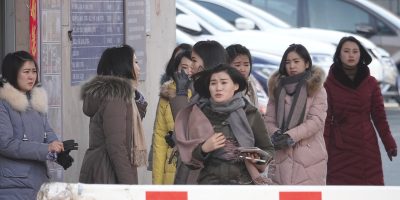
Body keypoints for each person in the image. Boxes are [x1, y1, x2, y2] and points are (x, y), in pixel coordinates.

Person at [174, 64, 274, 184]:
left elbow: (268, 149)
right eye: (213, 83)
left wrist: (257, 157)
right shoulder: (199, 114)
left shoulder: (250, 114)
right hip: (208, 185)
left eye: (224, 82)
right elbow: (188, 159)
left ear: (235, 86)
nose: (218, 88)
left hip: (243, 185)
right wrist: (203, 149)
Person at [324, 36, 397, 185]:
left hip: (366, 145)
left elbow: (379, 117)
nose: (351, 55)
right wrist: (322, 151)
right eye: (346, 51)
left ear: (361, 55)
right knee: (340, 191)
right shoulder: (329, 84)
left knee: (369, 189)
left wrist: (389, 143)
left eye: (355, 51)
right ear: (339, 54)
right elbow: (325, 121)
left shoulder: (370, 82)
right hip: (338, 147)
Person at [79, 44, 147, 184]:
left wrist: (136, 96)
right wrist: (130, 187)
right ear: (123, 66)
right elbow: (116, 145)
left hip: (101, 168)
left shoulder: (119, 96)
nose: (139, 68)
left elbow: (129, 119)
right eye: (135, 62)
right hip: (108, 173)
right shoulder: (116, 96)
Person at [0, 51, 64, 199]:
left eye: (34, 71)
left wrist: (58, 148)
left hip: (38, 181)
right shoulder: (3, 104)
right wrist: (46, 148)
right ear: (13, 73)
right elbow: (5, 144)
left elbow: (47, 132)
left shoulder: (37, 101)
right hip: (13, 185)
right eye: (26, 72)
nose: (31, 76)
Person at [264, 44, 328, 185]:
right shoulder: (276, 88)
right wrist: (276, 134)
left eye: (296, 61)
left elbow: (316, 120)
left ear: (306, 64)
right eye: (288, 62)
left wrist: (291, 136)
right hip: (280, 155)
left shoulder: (317, 89)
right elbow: (268, 120)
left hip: (309, 158)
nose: (291, 66)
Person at [170, 40, 228, 184]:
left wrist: (181, 93)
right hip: (196, 168)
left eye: (194, 61)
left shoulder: (213, 94)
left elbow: (185, 129)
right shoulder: (199, 90)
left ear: (206, 63)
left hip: (204, 173)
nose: (191, 67)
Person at [147, 43, 191, 172]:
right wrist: (157, 184)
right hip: (170, 168)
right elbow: (159, 139)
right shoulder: (166, 94)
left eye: (191, 67)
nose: (188, 72)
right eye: (184, 67)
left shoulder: (201, 97)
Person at [226, 44, 265, 114]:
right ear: (227, 65)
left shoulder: (250, 83)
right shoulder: (225, 88)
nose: (243, 69)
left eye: (246, 65)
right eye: (237, 65)